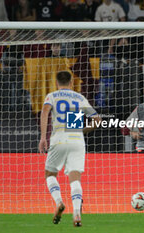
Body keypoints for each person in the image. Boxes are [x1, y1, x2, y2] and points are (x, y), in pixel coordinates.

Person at [39, 71, 101, 227]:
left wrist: (42, 137)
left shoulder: (52, 96)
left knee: (50, 173)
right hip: (76, 139)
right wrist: (81, 130)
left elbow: (45, 111)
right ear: (71, 82)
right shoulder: (79, 97)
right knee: (75, 178)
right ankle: (77, 213)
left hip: (59, 138)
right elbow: (97, 120)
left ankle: (59, 202)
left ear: (56, 82)